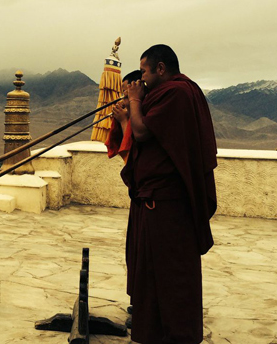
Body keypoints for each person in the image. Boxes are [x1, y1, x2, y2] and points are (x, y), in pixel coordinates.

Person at [122, 44, 217, 344]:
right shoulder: (174, 93)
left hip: (167, 206)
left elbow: (142, 132)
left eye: (146, 72)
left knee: (173, 276)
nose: (143, 80)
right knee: (152, 275)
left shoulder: (177, 93)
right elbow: (150, 142)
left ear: (161, 69)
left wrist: (135, 101)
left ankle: (179, 335)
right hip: (155, 202)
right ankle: (155, 333)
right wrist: (128, 114)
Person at [107, 70, 143, 162]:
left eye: (125, 95)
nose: (122, 100)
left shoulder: (143, 111)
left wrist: (123, 120)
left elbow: (131, 152)